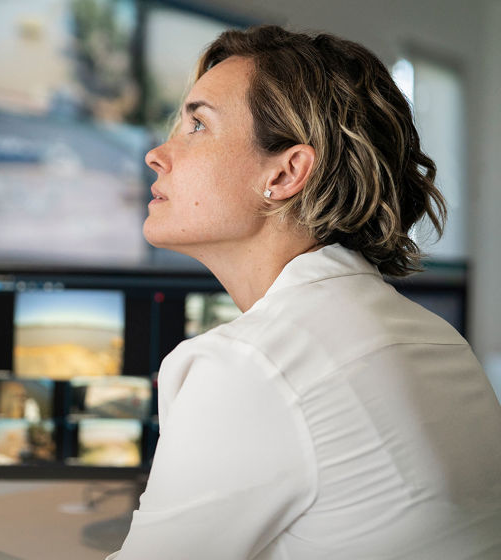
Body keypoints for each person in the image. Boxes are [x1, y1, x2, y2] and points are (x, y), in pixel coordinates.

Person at [107, 25, 501, 559]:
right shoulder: (438, 339)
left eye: (197, 124)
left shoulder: (254, 364)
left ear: (288, 171)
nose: (158, 152)